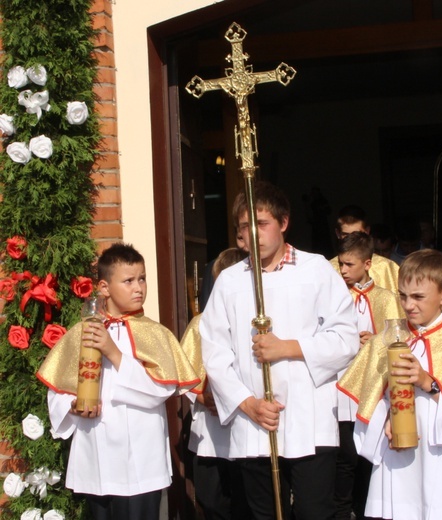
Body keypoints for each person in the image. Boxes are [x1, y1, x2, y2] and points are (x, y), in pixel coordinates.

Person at [199, 181, 359, 520]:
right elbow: (215, 352)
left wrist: (287, 347)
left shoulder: (316, 270)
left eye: (262, 223)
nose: (253, 234)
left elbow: (346, 338)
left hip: (308, 418)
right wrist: (248, 404)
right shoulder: (229, 281)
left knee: (315, 511)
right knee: (263, 513)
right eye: (245, 226)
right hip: (256, 422)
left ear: (283, 223)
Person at [37, 243, 200, 520]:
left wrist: (113, 352)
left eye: (142, 278)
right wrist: (72, 405)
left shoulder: (155, 333)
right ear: (104, 287)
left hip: (139, 459)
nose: (139, 288)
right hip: (95, 454)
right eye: (128, 281)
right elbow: (59, 387)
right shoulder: (85, 330)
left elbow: (160, 389)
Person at [338, 249, 442, 520]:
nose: (408, 305)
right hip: (397, 454)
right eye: (403, 296)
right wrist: (384, 421)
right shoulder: (386, 340)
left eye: (418, 297)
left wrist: (428, 382)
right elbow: (369, 401)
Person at [334, 231, 404, 520]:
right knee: (344, 456)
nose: (343, 270)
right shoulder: (334, 295)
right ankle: (340, 510)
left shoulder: (386, 298)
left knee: (366, 452)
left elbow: (398, 338)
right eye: (340, 263)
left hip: (371, 384)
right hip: (340, 382)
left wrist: (375, 339)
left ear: (367, 263)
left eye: (349, 265)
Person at [181, 247, 251, 520]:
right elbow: (183, 369)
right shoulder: (200, 323)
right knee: (212, 502)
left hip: (246, 425)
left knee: (246, 502)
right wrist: (200, 397)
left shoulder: (259, 322)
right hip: (210, 432)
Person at [330, 205, 400, 293]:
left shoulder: (387, 267)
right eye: (346, 235)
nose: (352, 240)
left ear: (367, 231)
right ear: (338, 234)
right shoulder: (329, 269)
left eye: (357, 234)